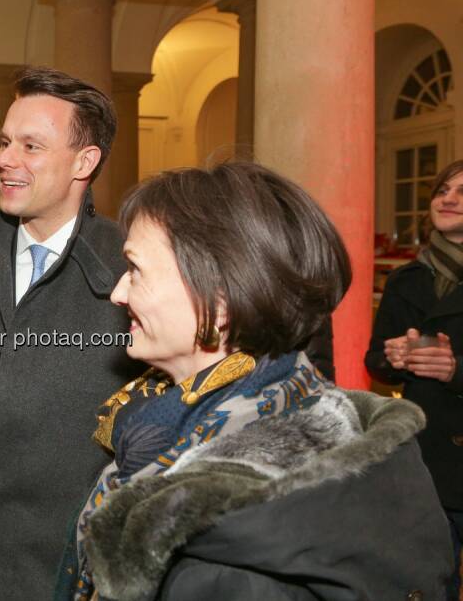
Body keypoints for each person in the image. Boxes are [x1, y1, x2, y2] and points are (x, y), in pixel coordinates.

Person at [63, 162, 453, 600]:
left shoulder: (231, 558)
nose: (118, 293)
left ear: (219, 300)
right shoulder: (190, 420)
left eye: (135, 270)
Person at [0, 66, 139, 600]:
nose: (5, 159)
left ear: (84, 161)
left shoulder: (131, 269)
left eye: (31, 145)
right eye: (5, 142)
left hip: (81, 562)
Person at [366, 158, 463, 597]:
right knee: (430, 580)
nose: (449, 199)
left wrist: (456, 368)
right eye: (443, 190)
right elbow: (376, 363)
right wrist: (394, 356)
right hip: (428, 459)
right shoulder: (407, 278)